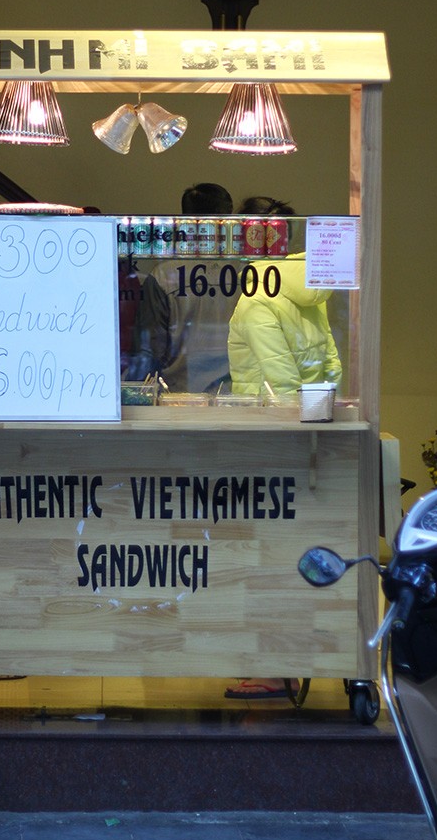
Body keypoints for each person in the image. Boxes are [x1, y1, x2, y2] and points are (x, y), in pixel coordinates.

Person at [226, 195, 340, 701]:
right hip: (315, 435)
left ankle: (272, 669)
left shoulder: (256, 297)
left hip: (266, 441)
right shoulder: (313, 294)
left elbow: (277, 384)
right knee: (299, 550)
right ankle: (296, 659)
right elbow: (331, 371)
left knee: (260, 553)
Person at [226, 195, 342, 401]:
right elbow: (331, 364)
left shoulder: (256, 299)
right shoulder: (311, 287)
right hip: (316, 414)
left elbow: (283, 385)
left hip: (267, 422)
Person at [125, 182, 236, 393]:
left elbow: (148, 351)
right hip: (235, 397)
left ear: (185, 219)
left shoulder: (164, 275)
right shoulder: (246, 273)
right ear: (227, 219)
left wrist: (133, 396)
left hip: (179, 398)